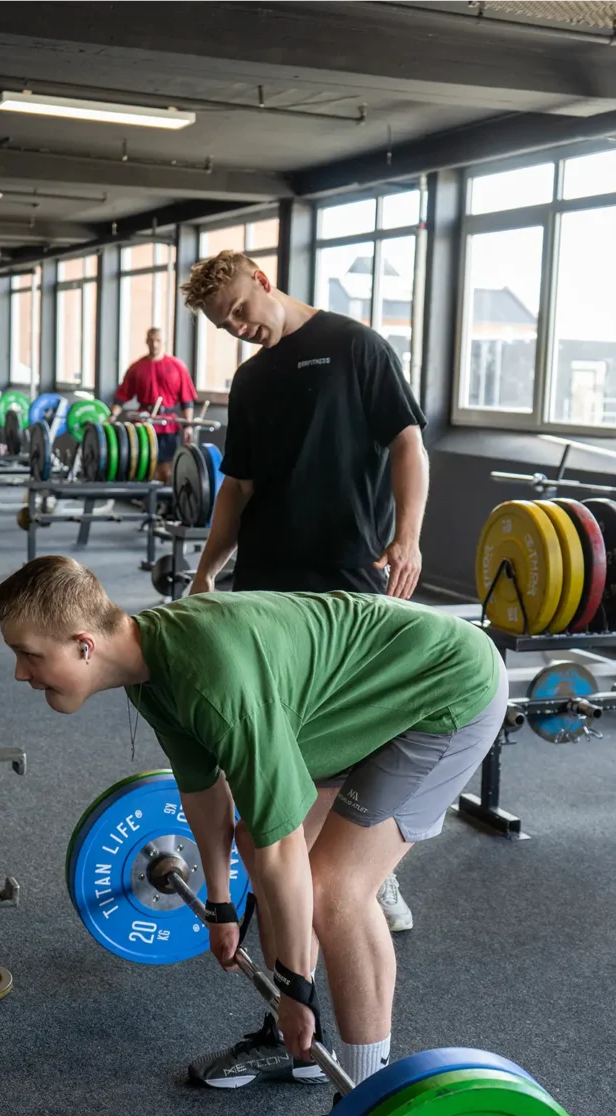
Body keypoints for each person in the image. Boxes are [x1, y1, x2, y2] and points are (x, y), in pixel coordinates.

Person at [0, 556, 507, 1104]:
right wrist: (220, 905)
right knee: (256, 848)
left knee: (334, 891)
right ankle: (300, 1047)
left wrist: (295, 987)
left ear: (83, 644)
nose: (22, 673)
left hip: (444, 689)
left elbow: (285, 850)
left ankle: (364, 1103)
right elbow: (204, 791)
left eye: (28, 655)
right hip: (351, 705)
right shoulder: (150, 672)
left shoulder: (212, 682)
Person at [180, 250, 429, 945]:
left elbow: (408, 443)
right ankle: (282, 861)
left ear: (263, 279)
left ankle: (374, 867)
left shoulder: (356, 346)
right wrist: (207, 571)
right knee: (275, 723)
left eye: (238, 309)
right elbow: (238, 487)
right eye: (222, 322)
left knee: (361, 725)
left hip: (348, 572)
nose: (236, 326)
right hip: (267, 580)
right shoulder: (252, 379)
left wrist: (407, 537)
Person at [111, 327, 197, 484]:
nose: (154, 344)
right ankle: (144, 502)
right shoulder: (136, 367)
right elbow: (122, 395)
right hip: (143, 425)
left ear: (164, 342)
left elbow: (187, 400)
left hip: (168, 424)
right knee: (141, 464)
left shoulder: (177, 367)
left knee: (165, 467)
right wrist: (112, 416)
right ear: (146, 341)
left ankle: (162, 504)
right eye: (151, 340)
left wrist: (188, 426)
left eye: (158, 340)